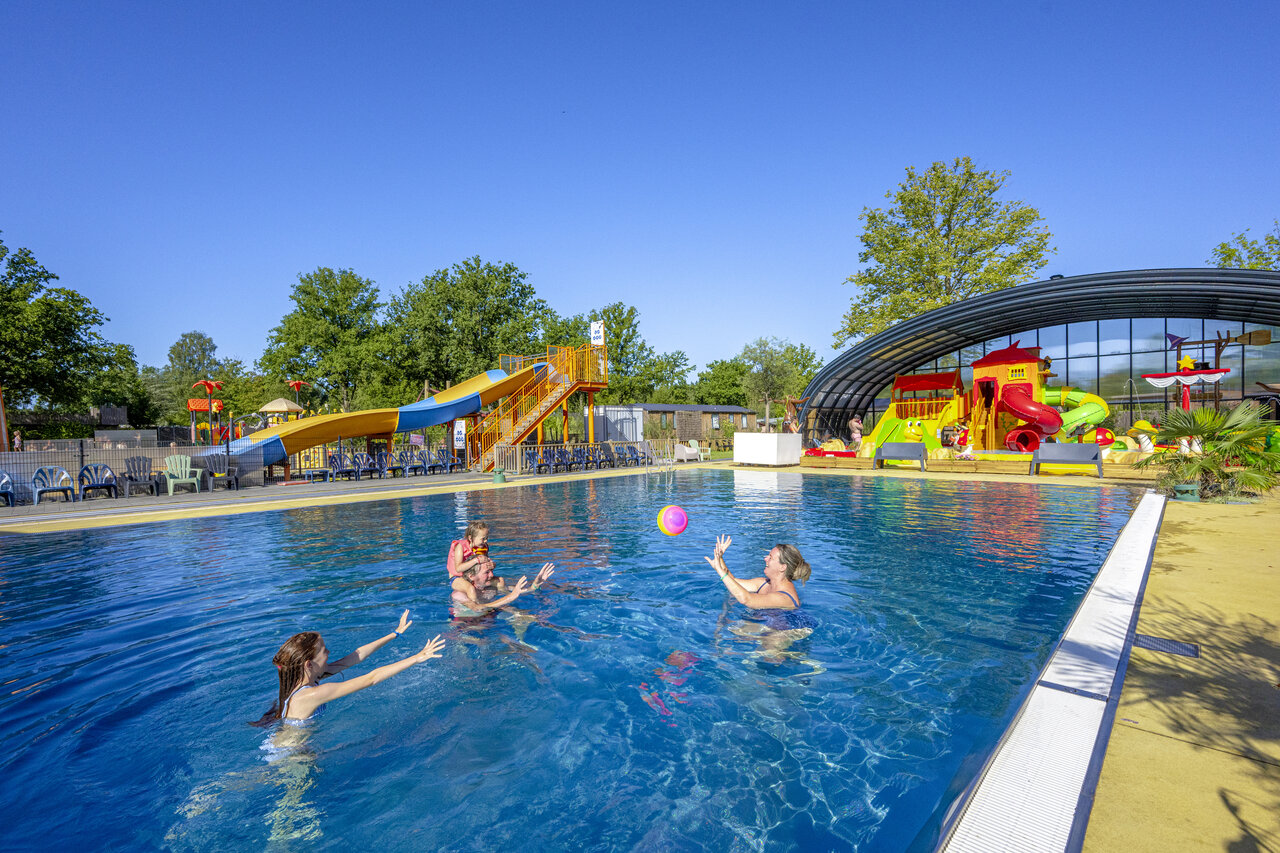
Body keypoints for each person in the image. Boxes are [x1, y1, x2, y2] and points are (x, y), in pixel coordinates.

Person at [259, 609, 445, 725]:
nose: (329, 652)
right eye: (324, 651)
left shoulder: (309, 678)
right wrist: (416, 658)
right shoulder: (312, 694)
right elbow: (372, 678)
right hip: (293, 761)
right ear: (308, 664)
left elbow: (357, 656)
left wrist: (394, 634)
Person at [705, 535, 809, 610]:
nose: (765, 558)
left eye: (770, 557)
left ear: (782, 567)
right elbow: (734, 583)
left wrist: (719, 570)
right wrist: (720, 559)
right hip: (763, 625)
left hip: (779, 636)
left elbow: (746, 599)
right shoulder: (763, 583)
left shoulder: (785, 598)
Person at [451, 557, 554, 617]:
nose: (491, 575)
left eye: (491, 571)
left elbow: (518, 591)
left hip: (490, 619)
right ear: (471, 576)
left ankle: (521, 643)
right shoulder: (459, 595)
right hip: (466, 628)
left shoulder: (491, 587)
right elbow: (476, 608)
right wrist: (509, 597)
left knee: (525, 616)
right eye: (487, 572)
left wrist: (535, 585)